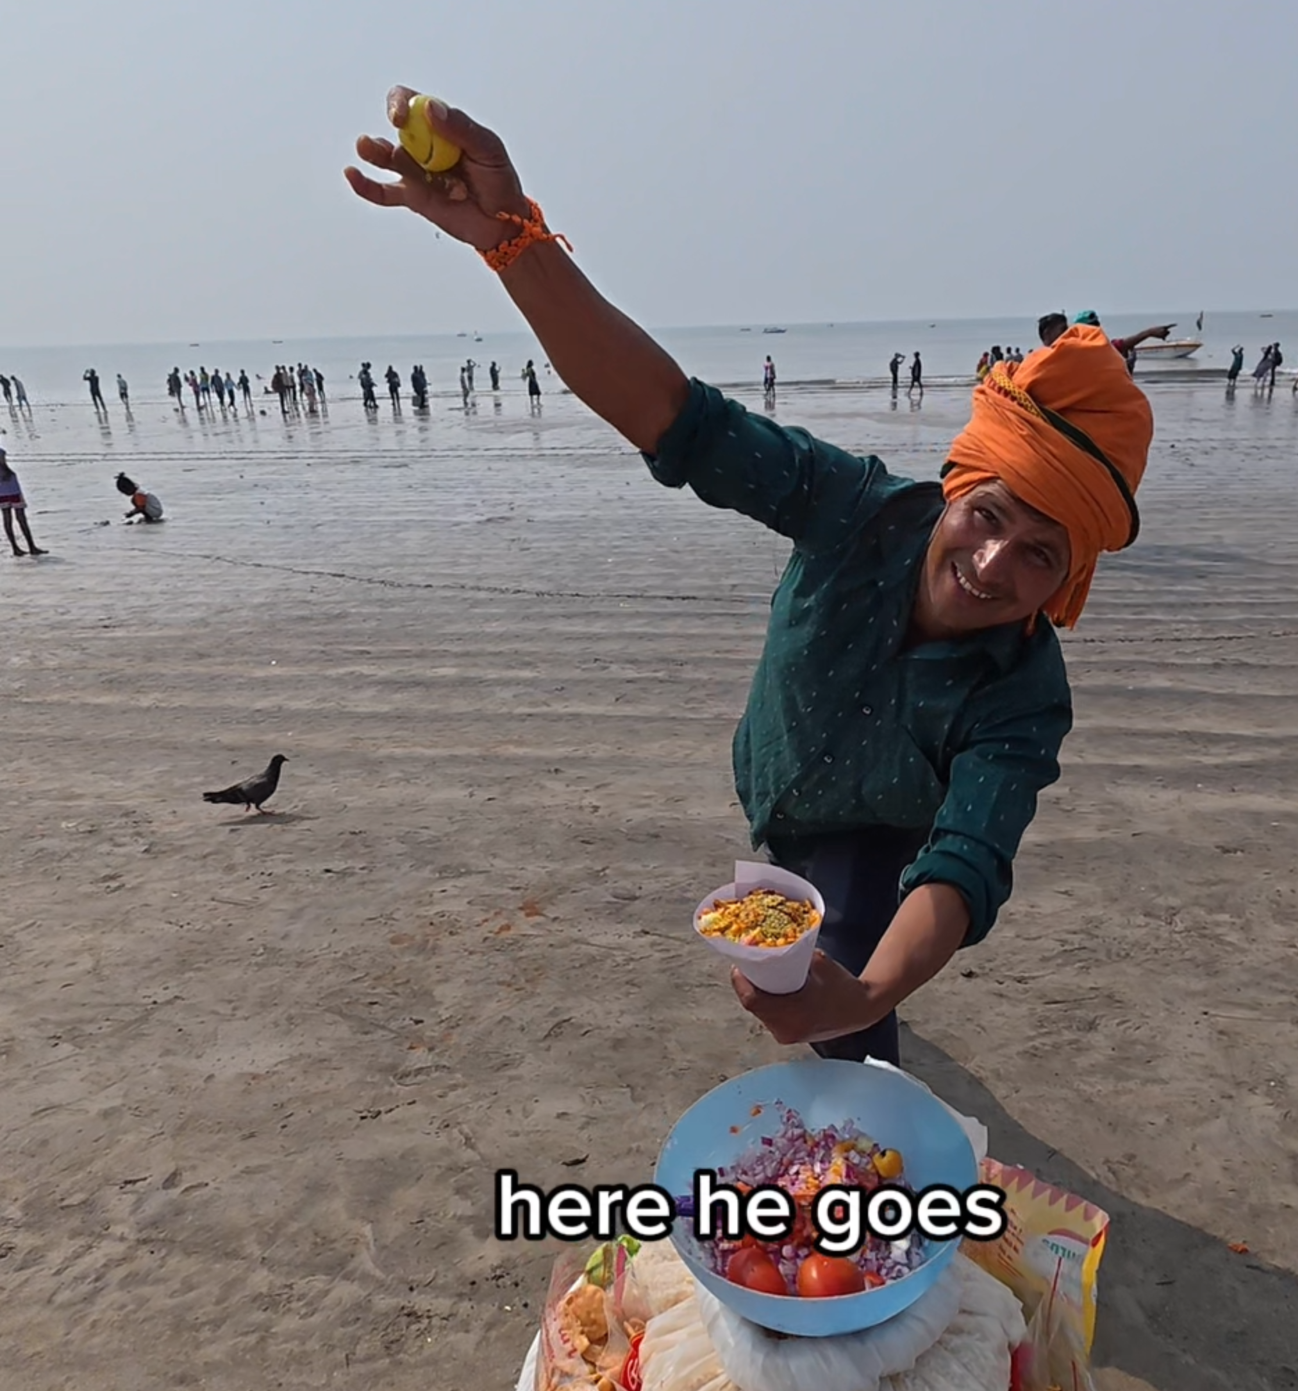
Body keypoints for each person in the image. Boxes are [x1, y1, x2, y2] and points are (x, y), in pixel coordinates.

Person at [347, 88, 1154, 1065]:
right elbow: (676, 419)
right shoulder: (850, 506)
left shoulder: (1024, 691)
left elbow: (966, 860)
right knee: (832, 969)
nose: (992, 565)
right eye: (989, 516)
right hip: (772, 791)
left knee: (855, 1022)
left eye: (1041, 554)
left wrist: (865, 995)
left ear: (1069, 581)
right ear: (954, 488)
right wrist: (512, 240)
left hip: (877, 829)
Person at [0, 447, 47, 555]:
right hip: (12, 490)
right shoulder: (1, 454)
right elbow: (4, 467)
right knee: (21, 519)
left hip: (2, 493)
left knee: (7, 519)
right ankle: (31, 547)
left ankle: (15, 548)